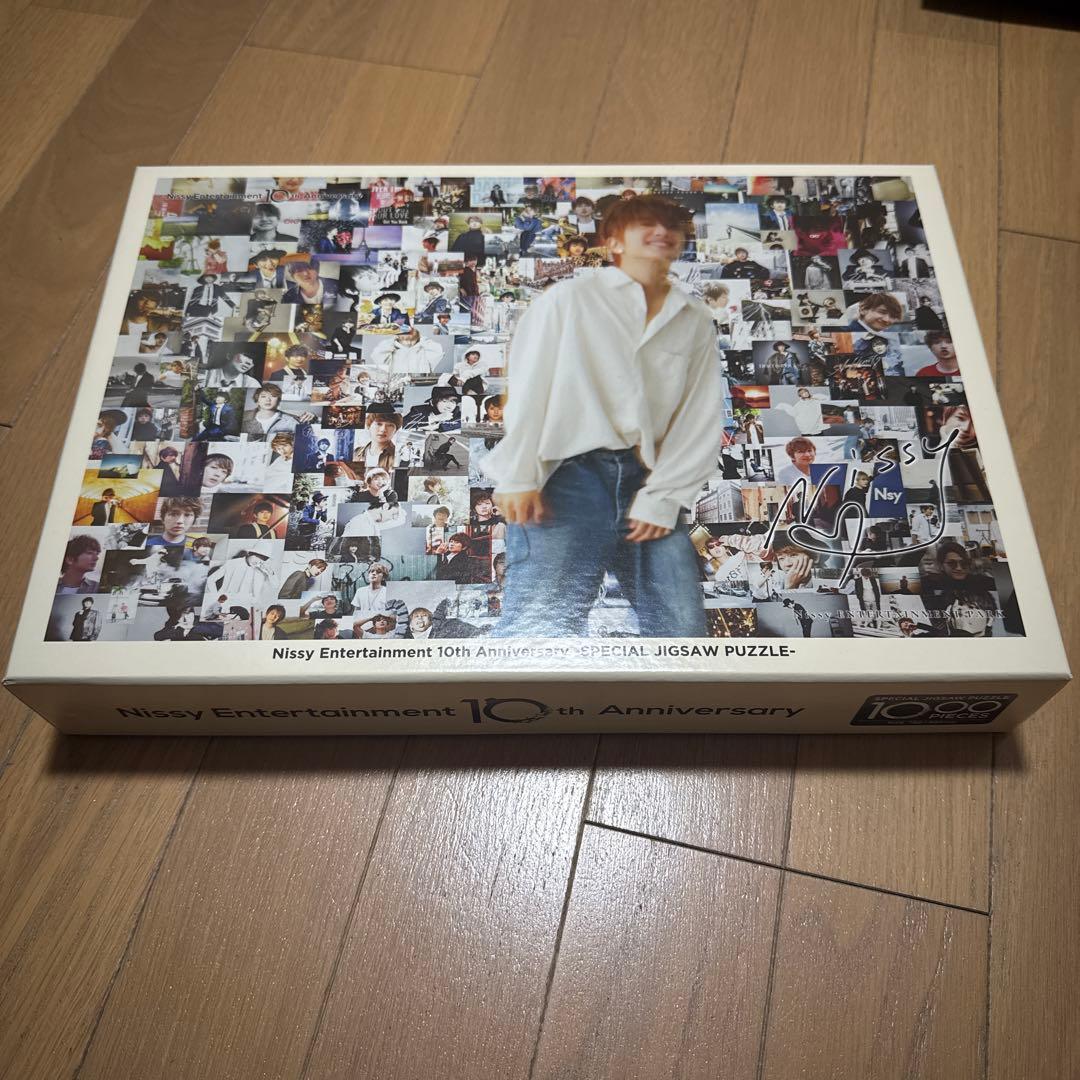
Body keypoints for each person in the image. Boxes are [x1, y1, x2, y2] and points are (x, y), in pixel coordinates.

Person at [482, 195, 719, 638]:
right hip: (565, 480)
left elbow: (699, 414)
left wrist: (665, 497)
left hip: (649, 480)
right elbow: (531, 387)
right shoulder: (568, 299)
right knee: (540, 630)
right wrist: (519, 474)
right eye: (645, 223)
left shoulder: (693, 319)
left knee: (682, 632)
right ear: (614, 241)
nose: (661, 231)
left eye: (671, 225)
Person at [922, 541, 998, 636]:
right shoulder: (930, 584)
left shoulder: (984, 582)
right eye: (952, 563)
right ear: (941, 565)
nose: (959, 568)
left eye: (964, 563)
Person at [369, 328, 442, 374]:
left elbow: (437, 350)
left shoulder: (423, 350)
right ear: (399, 339)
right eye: (406, 340)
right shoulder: (392, 352)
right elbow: (377, 354)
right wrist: (393, 339)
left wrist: (421, 338)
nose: (409, 343)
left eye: (412, 340)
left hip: (418, 381)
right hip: (398, 381)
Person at [353, 404, 401, 471]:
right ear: (369, 426)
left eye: (390, 425)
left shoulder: (397, 455)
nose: (383, 429)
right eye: (379, 424)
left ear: (395, 430)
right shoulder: (357, 451)